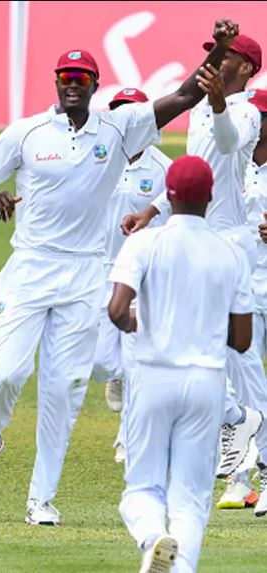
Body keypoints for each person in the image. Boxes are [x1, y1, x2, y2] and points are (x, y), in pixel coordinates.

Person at [0, 19, 240, 526]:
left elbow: (186, 93)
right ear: (56, 82)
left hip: (84, 276)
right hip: (30, 267)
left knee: (63, 391)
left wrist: (219, 46)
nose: (72, 84)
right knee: (7, 374)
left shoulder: (118, 128)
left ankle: (41, 499)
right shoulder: (27, 132)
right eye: (66, 77)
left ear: (94, 86)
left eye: (82, 78)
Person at [121, 34, 266, 493]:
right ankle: (240, 459)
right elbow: (194, 172)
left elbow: (227, 147)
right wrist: (153, 210)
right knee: (205, 346)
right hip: (200, 237)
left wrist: (220, 105)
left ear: (245, 69)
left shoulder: (242, 111)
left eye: (228, 57)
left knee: (240, 359)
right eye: (217, 54)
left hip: (230, 243)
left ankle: (256, 456)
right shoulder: (203, 107)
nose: (218, 61)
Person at [108, 154, 253, 573]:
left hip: (154, 375)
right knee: (191, 496)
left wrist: (143, 322)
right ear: (210, 196)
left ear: (168, 197)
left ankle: (154, 538)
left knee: (141, 488)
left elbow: (117, 310)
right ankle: (180, 568)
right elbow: (242, 341)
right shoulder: (228, 253)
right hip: (207, 381)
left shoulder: (144, 243)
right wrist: (204, 323)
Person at [90, 88, 171, 464]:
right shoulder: (98, 158)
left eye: (132, 112)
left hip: (145, 277)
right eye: (119, 112)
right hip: (97, 269)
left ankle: (128, 438)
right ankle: (117, 378)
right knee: (102, 362)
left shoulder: (164, 168)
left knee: (139, 362)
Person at [236, 87, 267, 516]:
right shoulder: (233, 164)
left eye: (259, 116)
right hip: (243, 288)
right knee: (247, 386)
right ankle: (245, 475)